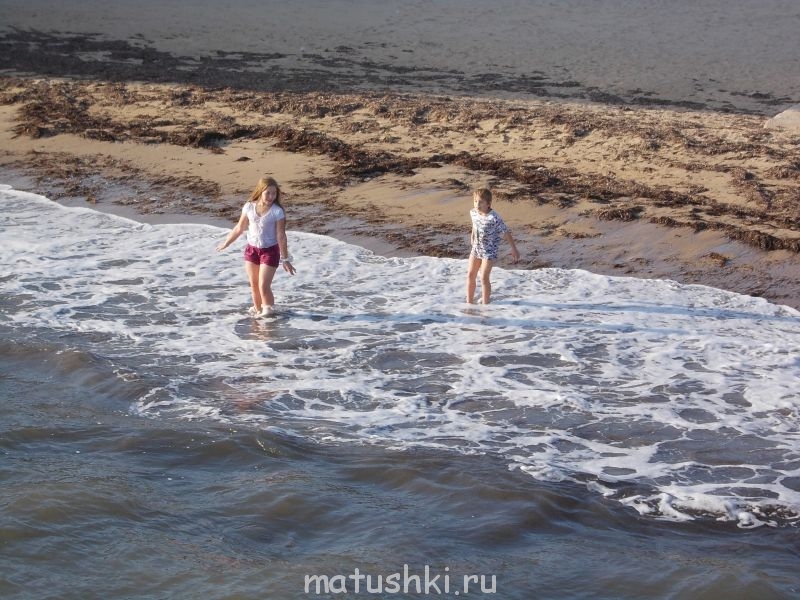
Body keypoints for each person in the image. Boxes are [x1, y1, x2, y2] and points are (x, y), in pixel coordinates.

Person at [216, 176, 296, 316]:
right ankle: (258, 312)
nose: (271, 197)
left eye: (274, 193)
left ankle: (269, 314)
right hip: (251, 251)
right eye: (268, 193)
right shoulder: (249, 207)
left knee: (263, 285)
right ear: (260, 191)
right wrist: (226, 243)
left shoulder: (277, 211)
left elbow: (281, 236)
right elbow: (239, 228)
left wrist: (285, 259)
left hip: (270, 251)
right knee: (254, 285)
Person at [466, 187, 520, 304]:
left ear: (488, 204)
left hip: (489, 251)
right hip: (476, 248)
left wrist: (514, 249)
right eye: (475, 201)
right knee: (470, 275)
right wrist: (472, 235)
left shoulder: (494, 217)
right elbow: (475, 225)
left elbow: (506, 232)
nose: (477, 204)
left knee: (484, 277)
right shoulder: (473, 212)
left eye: (481, 202)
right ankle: (469, 304)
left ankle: (486, 306)